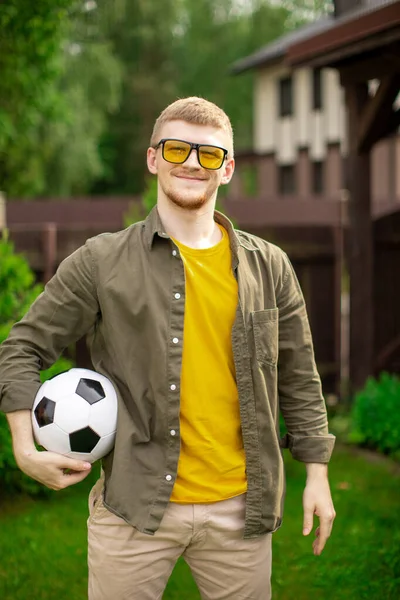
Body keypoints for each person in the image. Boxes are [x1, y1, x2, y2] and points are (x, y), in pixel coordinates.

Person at [0, 96, 336, 599]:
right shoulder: (101, 261)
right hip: (133, 507)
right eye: (178, 149)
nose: (193, 164)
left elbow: (300, 377)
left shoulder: (271, 267)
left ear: (228, 169)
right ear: (153, 158)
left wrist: (318, 474)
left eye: (209, 154)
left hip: (242, 511)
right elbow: (22, 347)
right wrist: (24, 448)